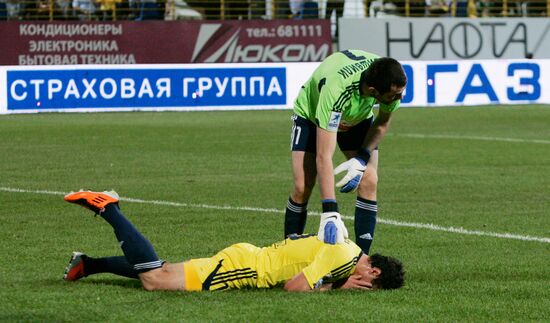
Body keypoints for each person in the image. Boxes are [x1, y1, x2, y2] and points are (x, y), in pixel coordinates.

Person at [62, 190, 405, 291]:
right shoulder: (341, 256)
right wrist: (336, 290)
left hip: (246, 258)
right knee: (156, 280)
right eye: (370, 286)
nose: (363, 288)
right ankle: (108, 208)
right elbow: (295, 288)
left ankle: (88, 265)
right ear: (372, 272)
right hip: (244, 269)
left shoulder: (346, 252)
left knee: (162, 271)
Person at [284, 49, 407, 255]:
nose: (399, 98)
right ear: (372, 90)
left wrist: (361, 159)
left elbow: (382, 123)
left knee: (368, 178)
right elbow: (324, 156)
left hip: (356, 118)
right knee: (302, 186)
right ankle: (287, 253)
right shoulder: (337, 91)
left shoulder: (389, 79)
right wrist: (329, 211)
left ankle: (361, 260)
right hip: (312, 117)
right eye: (392, 95)